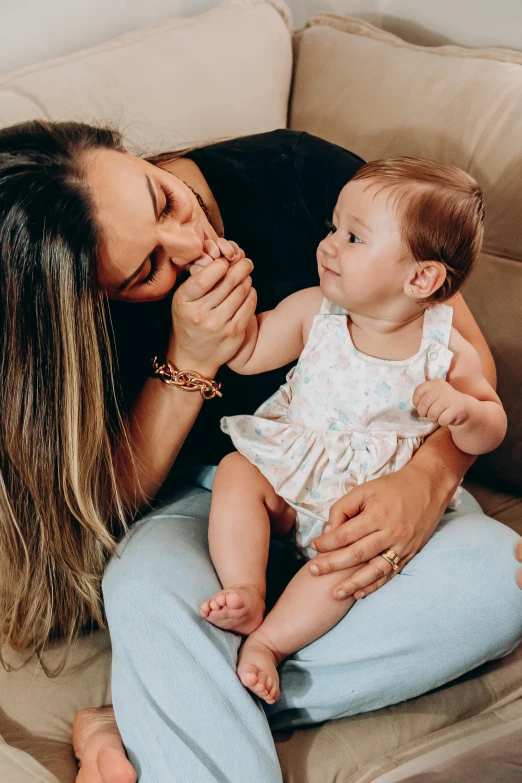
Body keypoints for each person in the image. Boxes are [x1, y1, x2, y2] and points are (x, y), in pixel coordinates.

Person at [0, 121, 520, 783]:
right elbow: (101, 503)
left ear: (129, 155)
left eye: (163, 202)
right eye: (145, 270)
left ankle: (139, 713)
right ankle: (180, 701)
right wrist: (191, 357)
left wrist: (425, 480)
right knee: (143, 586)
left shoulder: (304, 174)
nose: (189, 244)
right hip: (220, 493)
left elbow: (462, 368)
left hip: (377, 476)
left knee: (500, 578)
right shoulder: (58, 321)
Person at [199, 157, 507, 705]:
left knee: (342, 570)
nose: (328, 246)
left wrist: (465, 411)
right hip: (290, 484)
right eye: (332, 228)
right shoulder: (315, 311)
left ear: (421, 278)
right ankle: (245, 584)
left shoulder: (443, 345)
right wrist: (224, 289)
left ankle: (269, 641)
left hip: (362, 515)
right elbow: (247, 353)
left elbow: (492, 425)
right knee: (236, 472)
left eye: (353, 237)